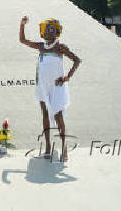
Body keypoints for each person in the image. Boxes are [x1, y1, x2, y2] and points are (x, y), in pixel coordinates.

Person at [19, 16, 81, 162]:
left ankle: (64, 148)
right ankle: (47, 147)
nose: (50, 32)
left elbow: (77, 60)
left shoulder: (60, 47)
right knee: (45, 115)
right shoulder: (41, 46)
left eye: (53, 30)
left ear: (57, 32)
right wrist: (22, 25)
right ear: (43, 32)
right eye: (47, 30)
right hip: (42, 86)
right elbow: (23, 40)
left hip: (56, 86)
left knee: (58, 116)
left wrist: (67, 77)